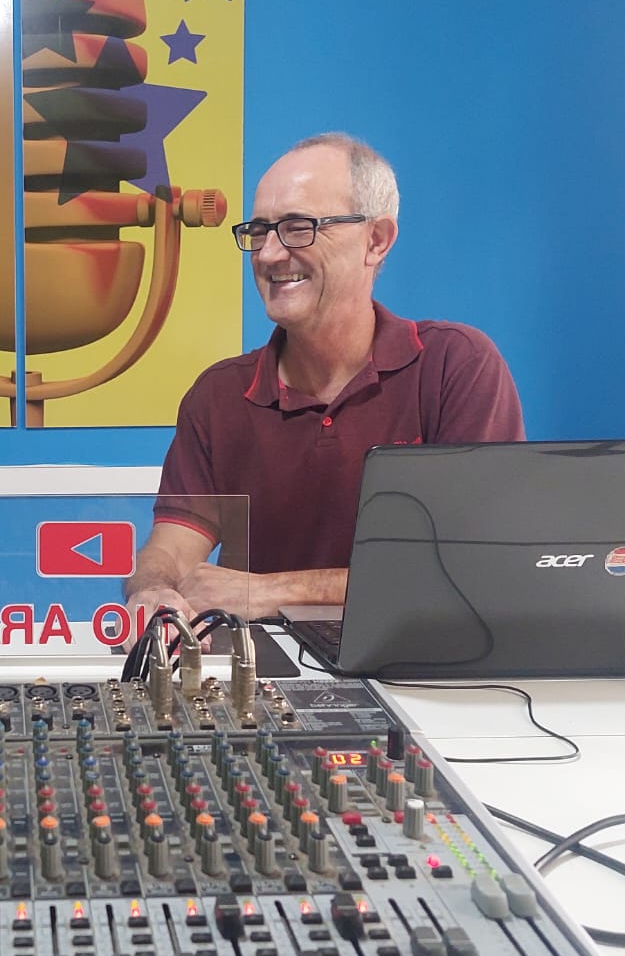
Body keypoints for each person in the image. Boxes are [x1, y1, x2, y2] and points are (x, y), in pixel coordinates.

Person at [125, 133, 524, 623]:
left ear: (376, 241)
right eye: (259, 231)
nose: (269, 254)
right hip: (263, 669)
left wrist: (271, 592)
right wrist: (154, 590)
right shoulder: (218, 396)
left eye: (298, 228)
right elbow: (170, 550)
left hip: (422, 666)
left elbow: (474, 566)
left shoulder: (454, 366)